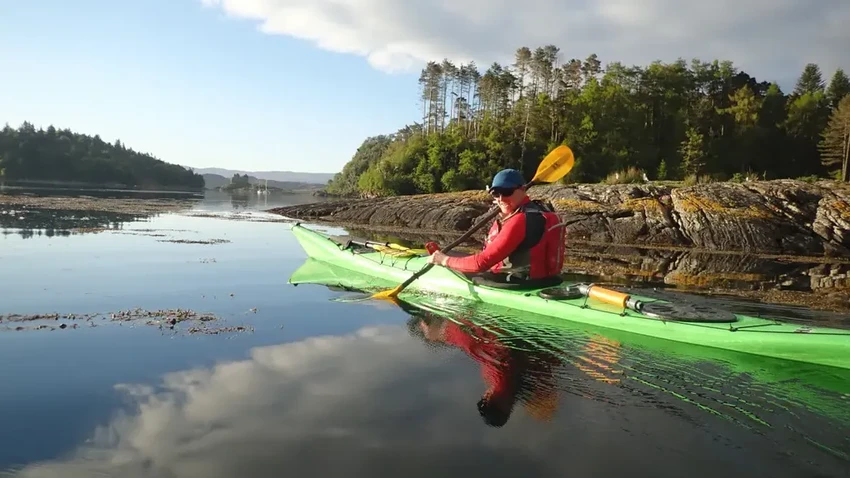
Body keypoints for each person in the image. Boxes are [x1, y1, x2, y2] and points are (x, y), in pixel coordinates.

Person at [426, 168, 566, 288]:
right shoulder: (541, 211)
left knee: (459, 265)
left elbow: (481, 263)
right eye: (496, 193)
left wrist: (444, 260)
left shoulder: (520, 219)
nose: (501, 199)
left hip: (519, 284)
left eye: (507, 192)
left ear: (522, 189)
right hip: (550, 281)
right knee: (457, 255)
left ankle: (438, 258)